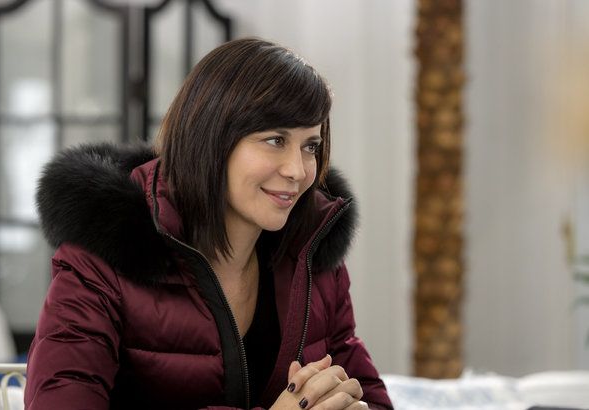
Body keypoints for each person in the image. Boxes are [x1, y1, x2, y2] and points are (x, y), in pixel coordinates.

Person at [25, 38, 393, 410]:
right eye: (275, 140)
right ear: (212, 138)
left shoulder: (312, 255)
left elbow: (370, 396)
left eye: (310, 146)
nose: (297, 170)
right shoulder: (99, 262)